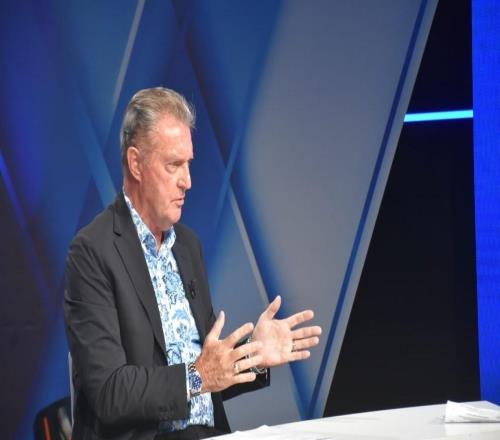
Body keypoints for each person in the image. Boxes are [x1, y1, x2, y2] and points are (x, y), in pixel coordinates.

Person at [64, 87, 322, 440]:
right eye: (173, 165)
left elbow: (209, 373)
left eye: (188, 164)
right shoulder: (92, 252)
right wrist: (196, 377)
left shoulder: (187, 246)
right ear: (136, 164)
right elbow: (110, 392)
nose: (187, 181)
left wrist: (254, 355)